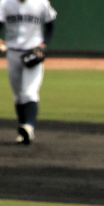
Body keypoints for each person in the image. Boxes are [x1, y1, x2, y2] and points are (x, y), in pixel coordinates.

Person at [0, 0, 57, 145]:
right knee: (18, 95)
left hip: (33, 52)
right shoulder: (5, 3)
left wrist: (44, 44)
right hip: (12, 53)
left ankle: (29, 126)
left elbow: (50, 26)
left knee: (29, 92)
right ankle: (23, 129)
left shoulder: (41, 3)